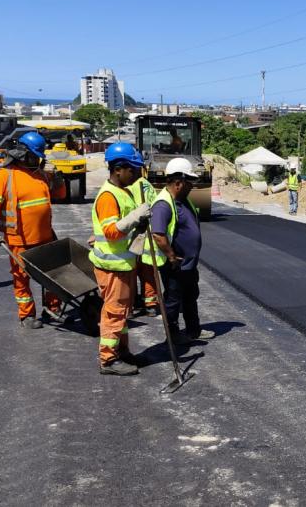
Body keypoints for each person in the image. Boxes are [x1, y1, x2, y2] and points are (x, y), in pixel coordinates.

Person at [0, 132, 66, 328]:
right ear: (21, 153)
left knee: (52, 275)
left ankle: (52, 309)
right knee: (21, 277)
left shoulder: (40, 174)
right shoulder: (4, 175)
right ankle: (27, 315)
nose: (36, 159)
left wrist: (59, 180)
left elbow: (59, 195)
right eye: (33, 156)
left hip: (45, 235)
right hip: (19, 238)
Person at [89, 142, 150, 376]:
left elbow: (124, 231)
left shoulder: (123, 192)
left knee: (122, 312)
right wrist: (136, 216)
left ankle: (122, 351)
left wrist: (139, 224)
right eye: (132, 170)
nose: (135, 175)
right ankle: (108, 359)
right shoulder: (107, 196)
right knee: (114, 312)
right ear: (118, 169)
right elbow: (112, 232)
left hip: (123, 264)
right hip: (112, 266)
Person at [150, 158, 214, 343]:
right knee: (173, 299)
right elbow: (158, 234)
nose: (191, 187)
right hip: (175, 264)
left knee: (190, 296)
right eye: (189, 183)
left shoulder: (183, 200)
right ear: (178, 183)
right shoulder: (163, 204)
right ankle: (173, 334)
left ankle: (193, 329)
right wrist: (171, 257)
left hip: (188, 263)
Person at [128, 171, 160, 317]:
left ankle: (132, 303)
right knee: (149, 272)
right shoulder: (147, 185)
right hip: (149, 236)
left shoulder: (132, 186)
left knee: (131, 272)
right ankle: (151, 304)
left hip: (137, 236)